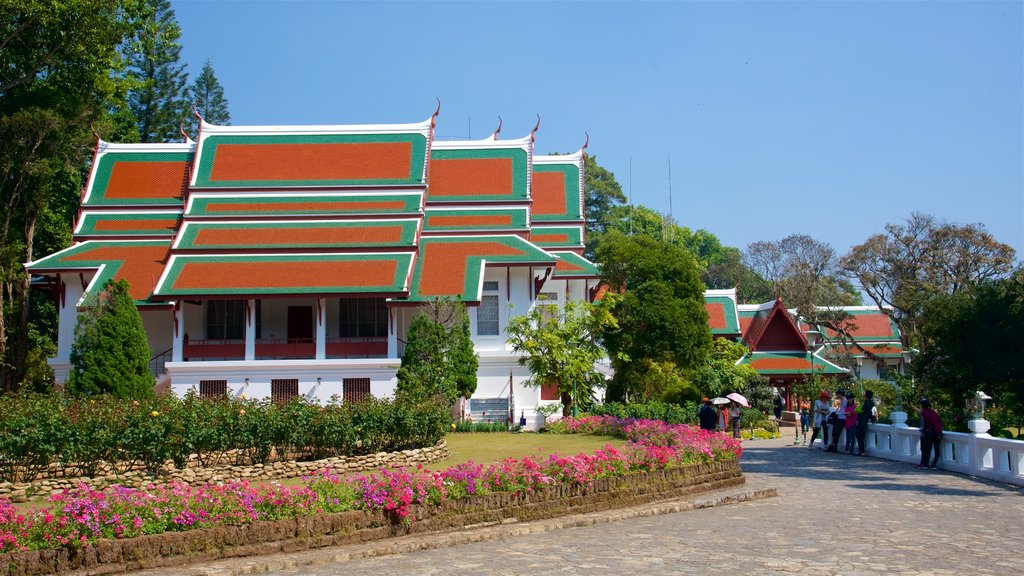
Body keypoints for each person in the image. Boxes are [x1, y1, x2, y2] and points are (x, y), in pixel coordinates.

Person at [919, 398, 944, 469]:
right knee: (936, 448)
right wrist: (939, 433)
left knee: (927, 448)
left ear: (922, 405)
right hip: (937, 432)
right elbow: (938, 423)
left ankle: (926, 464)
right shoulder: (933, 412)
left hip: (929, 433)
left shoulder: (924, 412)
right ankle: (934, 464)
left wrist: (910, 405)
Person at [855, 390, 876, 456]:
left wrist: (873, 420)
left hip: (862, 421)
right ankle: (861, 451)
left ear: (866, 395)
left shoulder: (867, 403)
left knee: (860, 436)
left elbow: (869, 412)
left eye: (864, 393)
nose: (864, 394)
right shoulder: (870, 403)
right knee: (860, 436)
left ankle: (862, 451)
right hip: (863, 421)